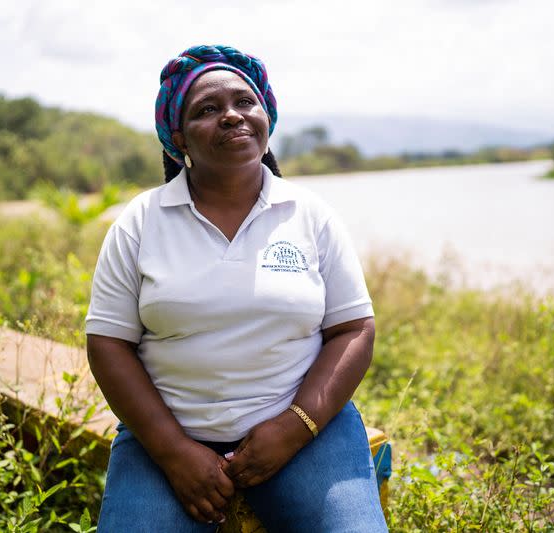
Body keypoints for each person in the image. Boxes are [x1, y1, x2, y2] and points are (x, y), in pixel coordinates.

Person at [85, 44, 388, 532]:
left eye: (244, 103)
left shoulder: (309, 215)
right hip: (169, 436)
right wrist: (174, 451)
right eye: (208, 109)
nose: (231, 116)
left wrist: (294, 428)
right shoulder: (140, 222)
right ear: (177, 137)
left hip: (307, 433)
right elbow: (108, 343)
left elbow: (353, 329)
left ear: (266, 116)